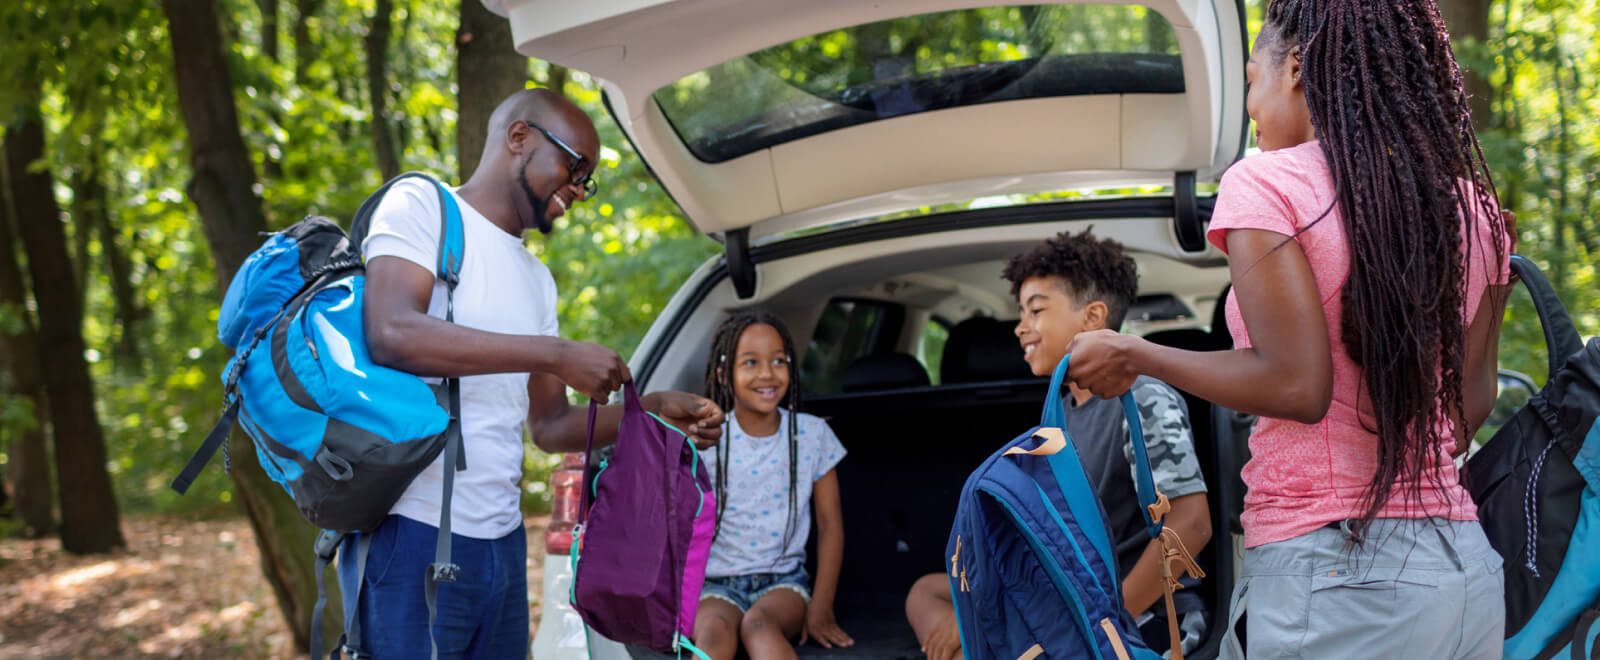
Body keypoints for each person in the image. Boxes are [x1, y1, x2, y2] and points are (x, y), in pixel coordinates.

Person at [1060, 0, 1516, 657]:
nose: (1250, 106)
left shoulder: (1268, 186)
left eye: (1251, 79)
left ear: (1295, 67)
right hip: (1461, 571)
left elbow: (1297, 385)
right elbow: (1472, 401)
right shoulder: (1477, 213)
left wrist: (1138, 354)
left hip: (1334, 575)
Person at [345, 88, 724, 658]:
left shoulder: (535, 279)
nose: (578, 189)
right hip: (413, 535)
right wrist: (552, 354)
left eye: (587, 179)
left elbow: (548, 427)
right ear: (519, 138)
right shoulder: (422, 205)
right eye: (574, 167)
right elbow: (392, 331)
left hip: (501, 547)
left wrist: (653, 411)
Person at [904, 229, 1214, 659]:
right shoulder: (1061, 412)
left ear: (1092, 318)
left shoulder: (1143, 397)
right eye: (1020, 313)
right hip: (1072, 590)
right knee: (927, 591)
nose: (1020, 327)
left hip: (1143, 615)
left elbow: (1192, 524)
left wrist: (1102, 619)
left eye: (1036, 310)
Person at [692, 312, 854, 660]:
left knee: (759, 625)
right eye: (750, 362)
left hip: (784, 582)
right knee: (711, 633)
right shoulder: (707, 440)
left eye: (779, 361)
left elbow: (830, 524)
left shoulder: (812, 435)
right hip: (715, 585)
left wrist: (821, 606)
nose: (767, 374)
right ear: (724, 374)